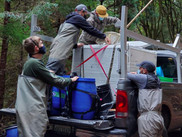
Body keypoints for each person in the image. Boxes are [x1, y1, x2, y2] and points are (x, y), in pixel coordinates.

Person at [15, 36, 79, 137]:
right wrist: (71, 80)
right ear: (36, 48)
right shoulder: (34, 64)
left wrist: (48, 73)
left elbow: (40, 75)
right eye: (41, 43)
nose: (43, 45)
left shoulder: (30, 63)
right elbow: (56, 81)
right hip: (32, 109)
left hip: (27, 107)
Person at [46, 4, 111, 75]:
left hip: (58, 46)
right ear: (81, 12)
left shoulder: (69, 20)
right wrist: (104, 36)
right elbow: (90, 29)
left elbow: (67, 36)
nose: (84, 15)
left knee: (59, 74)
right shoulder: (78, 18)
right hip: (60, 49)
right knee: (51, 71)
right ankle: (41, 86)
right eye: (84, 13)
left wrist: (75, 45)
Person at [127, 61, 165, 137]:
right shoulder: (157, 79)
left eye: (140, 68)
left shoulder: (143, 78)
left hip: (148, 119)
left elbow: (125, 75)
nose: (139, 70)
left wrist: (134, 74)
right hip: (158, 117)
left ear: (145, 70)